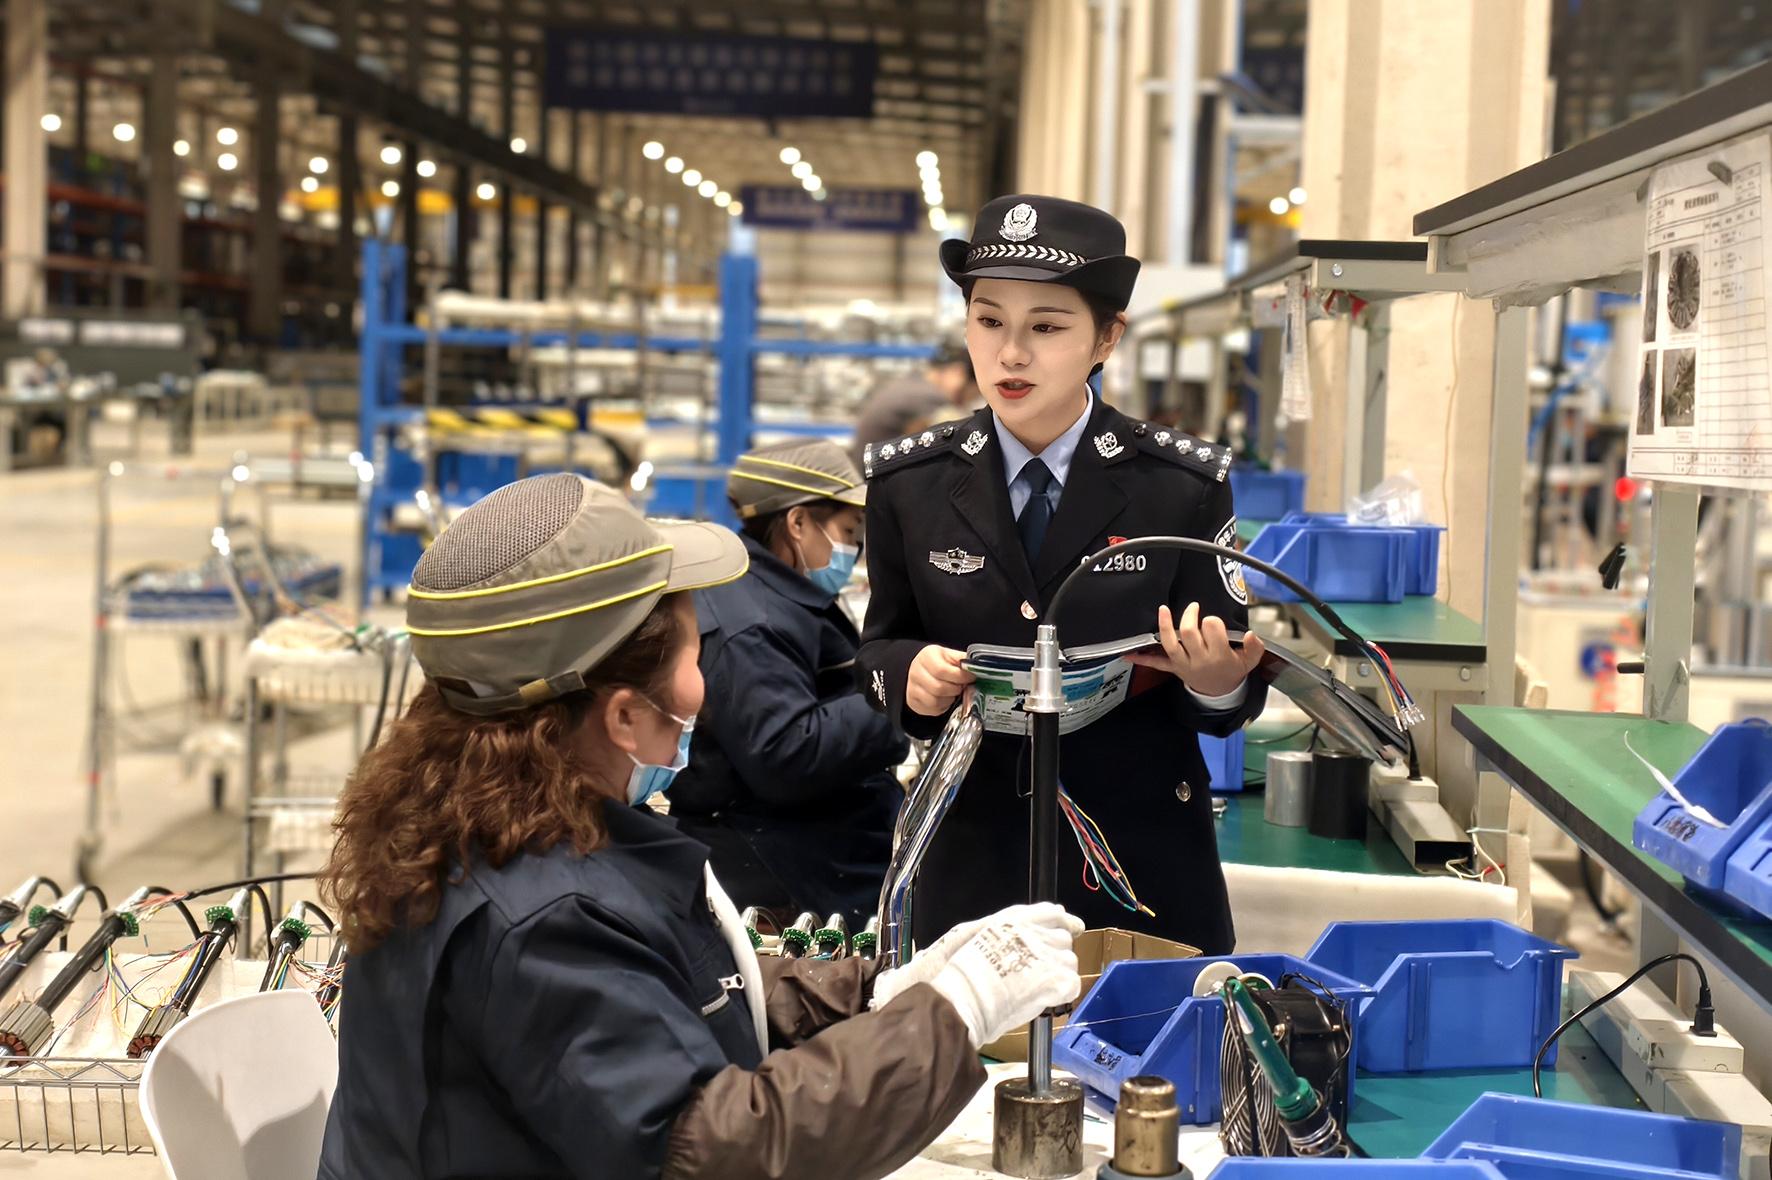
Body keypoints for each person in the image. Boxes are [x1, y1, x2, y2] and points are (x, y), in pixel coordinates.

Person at [316, 472, 1083, 1180]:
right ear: (624, 715)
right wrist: (948, 1016)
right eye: (695, 658)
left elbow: (673, 989)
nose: (705, 687)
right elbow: (713, 1150)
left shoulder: (501, 816)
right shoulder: (543, 918)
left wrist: (881, 993)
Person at [856, 194, 1270, 956]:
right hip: (972, 853)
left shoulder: (1178, 485)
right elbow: (879, 647)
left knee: (1142, 1029)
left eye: (1045, 327)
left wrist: (1216, 683)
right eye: (989, 321)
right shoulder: (911, 484)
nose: (1011, 354)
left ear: (1106, 337)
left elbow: (1228, 685)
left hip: (1139, 855)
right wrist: (908, 675)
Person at [669, 439, 905, 930]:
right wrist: (898, 697)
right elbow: (785, 753)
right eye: (848, 531)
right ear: (797, 523)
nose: (855, 549)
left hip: (805, 834)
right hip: (777, 859)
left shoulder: (773, 593)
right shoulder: (749, 624)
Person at [850, 335, 980, 468]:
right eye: (967, 396)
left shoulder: (912, 384)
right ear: (958, 373)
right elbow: (965, 435)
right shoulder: (928, 397)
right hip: (873, 475)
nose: (963, 403)